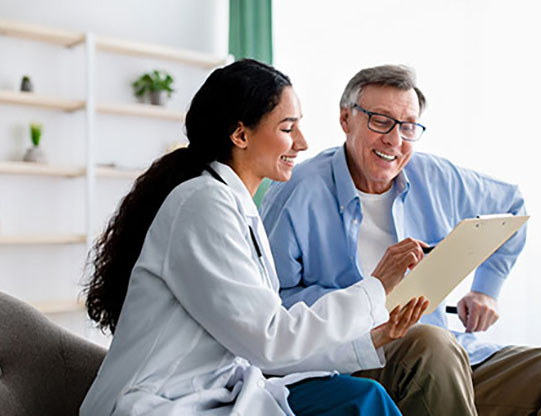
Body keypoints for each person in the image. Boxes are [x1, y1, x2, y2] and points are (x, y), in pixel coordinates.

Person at [79, 59, 430, 416]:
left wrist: (372, 339)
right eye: (288, 128)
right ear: (241, 135)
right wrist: (375, 287)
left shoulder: (236, 206)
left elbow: (262, 345)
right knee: (362, 401)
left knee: (361, 396)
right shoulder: (203, 204)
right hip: (159, 403)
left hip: (214, 390)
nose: (302, 143)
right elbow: (270, 339)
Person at [260, 64, 541, 415]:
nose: (394, 140)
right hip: (355, 355)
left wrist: (486, 290)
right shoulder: (297, 191)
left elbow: (512, 206)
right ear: (346, 119)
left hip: (445, 355)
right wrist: (369, 301)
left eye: (407, 127)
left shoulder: (436, 177)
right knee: (431, 345)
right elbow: (273, 305)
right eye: (380, 121)